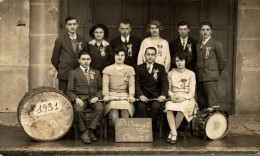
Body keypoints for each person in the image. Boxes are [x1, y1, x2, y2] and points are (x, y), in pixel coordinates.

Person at [66, 51, 104, 144]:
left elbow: (101, 88)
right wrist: (76, 99)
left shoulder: (96, 72)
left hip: (93, 98)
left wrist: (97, 97)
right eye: (83, 59)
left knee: (100, 108)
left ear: (90, 60)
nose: (86, 61)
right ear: (79, 60)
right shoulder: (73, 73)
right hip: (80, 98)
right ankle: (84, 131)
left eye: (88, 59)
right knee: (78, 110)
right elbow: (69, 91)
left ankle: (90, 130)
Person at [164, 52, 197, 144]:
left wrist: (184, 98)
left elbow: (192, 92)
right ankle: (174, 132)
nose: (179, 63)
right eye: (177, 61)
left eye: (181, 60)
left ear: (185, 61)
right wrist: (172, 96)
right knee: (169, 108)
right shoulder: (171, 73)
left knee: (181, 109)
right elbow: (168, 89)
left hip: (186, 98)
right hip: (174, 97)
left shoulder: (191, 74)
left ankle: (172, 133)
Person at [135, 47, 169, 132]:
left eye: (152, 54)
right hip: (143, 95)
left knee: (157, 107)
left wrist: (163, 95)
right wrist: (140, 95)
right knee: (140, 106)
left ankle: (150, 126)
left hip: (156, 96)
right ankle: (145, 128)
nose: (150, 57)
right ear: (145, 55)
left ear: (156, 56)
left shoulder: (160, 68)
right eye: (148, 54)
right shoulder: (139, 68)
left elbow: (165, 83)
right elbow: (137, 84)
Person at [51, 16, 88, 93]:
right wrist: (61, 68)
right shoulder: (60, 40)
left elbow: (85, 56)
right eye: (70, 24)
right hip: (64, 74)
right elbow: (54, 59)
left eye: (74, 24)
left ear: (77, 25)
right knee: (63, 95)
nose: (72, 26)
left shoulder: (83, 40)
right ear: (66, 26)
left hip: (78, 72)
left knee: (77, 95)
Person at [196, 21, 227, 110]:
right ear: (200, 31)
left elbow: (222, 62)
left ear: (211, 31)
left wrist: (214, 72)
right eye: (203, 30)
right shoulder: (198, 44)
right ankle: (203, 123)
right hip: (200, 77)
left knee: (211, 104)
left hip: (211, 78)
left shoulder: (216, 44)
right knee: (201, 103)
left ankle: (212, 123)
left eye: (207, 30)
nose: (205, 32)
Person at [102, 47, 136, 126]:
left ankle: (123, 133)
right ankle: (119, 132)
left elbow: (131, 85)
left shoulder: (130, 69)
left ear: (125, 56)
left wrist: (131, 95)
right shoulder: (107, 69)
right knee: (114, 112)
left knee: (125, 111)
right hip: (111, 95)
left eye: (122, 55)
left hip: (125, 95)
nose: (119, 57)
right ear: (114, 56)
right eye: (117, 55)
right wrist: (106, 95)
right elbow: (105, 85)